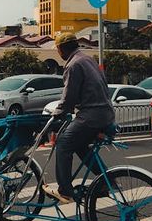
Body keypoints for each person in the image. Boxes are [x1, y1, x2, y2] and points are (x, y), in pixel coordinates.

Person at [42, 32, 115, 204]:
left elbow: (68, 99)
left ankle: (65, 191)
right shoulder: (88, 59)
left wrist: (55, 114)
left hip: (90, 116)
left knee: (63, 143)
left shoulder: (73, 65)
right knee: (81, 146)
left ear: (61, 49)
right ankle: (107, 180)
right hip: (105, 114)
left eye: (58, 49)